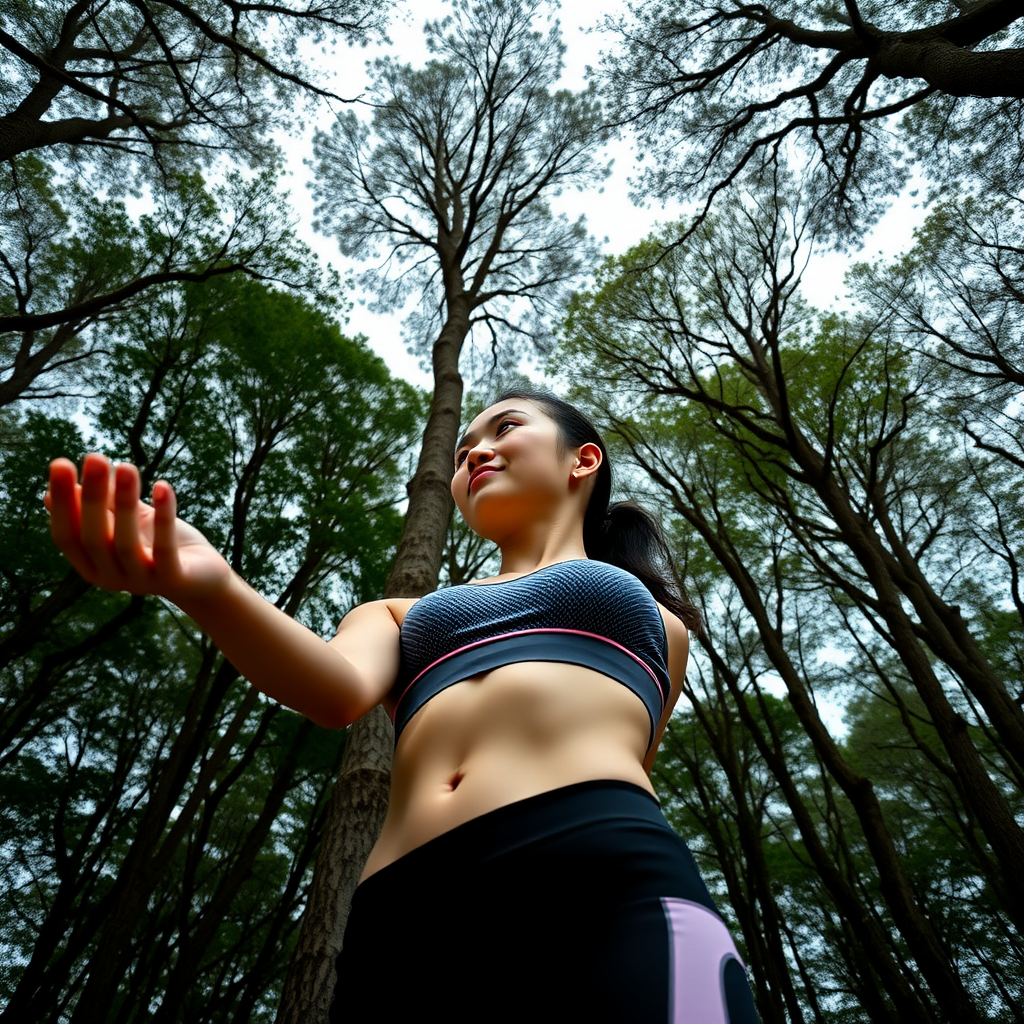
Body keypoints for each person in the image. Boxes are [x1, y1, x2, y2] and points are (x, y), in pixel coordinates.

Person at [46, 387, 760, 1023]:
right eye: (461, 450)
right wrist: (210, 587)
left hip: (599, 876)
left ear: (582, 461)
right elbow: (333, 691)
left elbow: (633, 753)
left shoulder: (652, 617)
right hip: (401, 912)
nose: (476, 450)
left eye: (504, 427)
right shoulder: (396, 614)